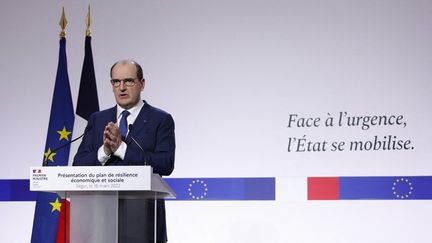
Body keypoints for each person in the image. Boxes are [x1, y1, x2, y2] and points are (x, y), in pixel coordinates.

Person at [73, 59, 175, 243]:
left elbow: (165, 164)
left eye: (128, 81)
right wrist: (104, 151)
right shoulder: (97, 119)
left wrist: (122, 149)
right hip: (99, 221)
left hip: (143, 221)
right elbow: (78, 164)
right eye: (116, 82)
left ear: (142, 84)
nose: (121, 88)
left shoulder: (161, 119)